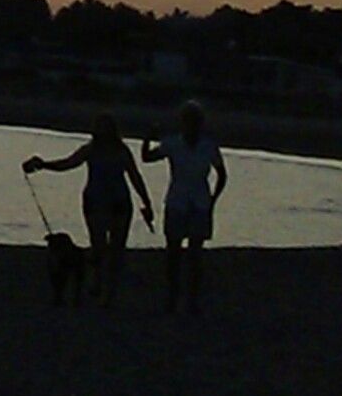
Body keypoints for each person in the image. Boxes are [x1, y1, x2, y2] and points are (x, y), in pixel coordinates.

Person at [25, 113, 151, 304]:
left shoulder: (122, 151)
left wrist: (146, 201)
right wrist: (44, 165)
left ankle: (109, 294)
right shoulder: (90, 150)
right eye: (99, 126)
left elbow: (135, 176)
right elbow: (68, 163)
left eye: (105, 127)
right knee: (98, 247)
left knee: (116, 250)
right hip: (95, 202)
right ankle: (98, 281)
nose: (101, 130)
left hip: (119, 203)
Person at [142, 100, 229, 312]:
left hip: (199, 202)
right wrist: (148, 137)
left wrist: (213, 200)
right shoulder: (173, 143)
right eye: (188, 121)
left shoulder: (208, 146)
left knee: (194, 254)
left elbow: (222, 174)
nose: (191, 125)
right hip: (178, 201)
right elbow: (147, 157)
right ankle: (173, 296)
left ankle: (191, 298)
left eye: (194, 121)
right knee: (173, 252)